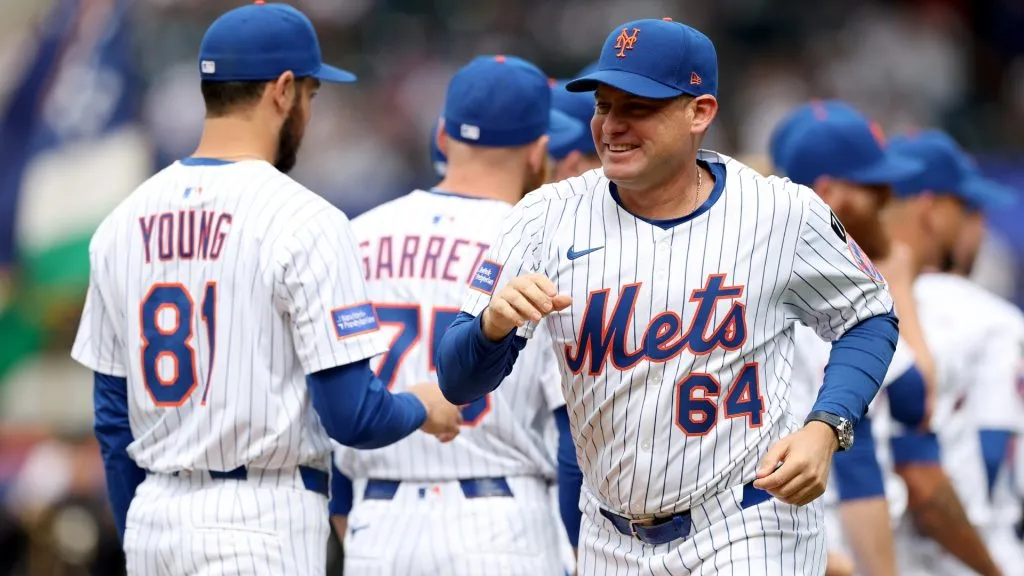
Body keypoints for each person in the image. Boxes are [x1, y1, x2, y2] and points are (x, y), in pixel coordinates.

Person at [436, 18, 901, 574]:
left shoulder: (780, 212)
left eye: (639, 107)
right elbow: (456, 381)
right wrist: (490, 328)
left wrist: (827, 427)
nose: (613, 126)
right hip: (611, 534)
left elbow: (871, 315)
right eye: (604, 106)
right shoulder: (544, 216)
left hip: (747, 521)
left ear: (699, 112)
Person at [70, 4, 461, 574]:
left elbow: (111, 420)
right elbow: (353, 416)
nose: (308, 110)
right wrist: (422, 406)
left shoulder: (121, 223)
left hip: (154, 516)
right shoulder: (304, 219)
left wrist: (141, 527)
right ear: (282, 90)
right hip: (260, 518)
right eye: (311, 94)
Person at [328, 54, 586, 576]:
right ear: (539, 151)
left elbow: (328, 402)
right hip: (503, 524)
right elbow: (573, 437)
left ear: (443, 137)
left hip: (379, 524)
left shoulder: (354, 236)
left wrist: (347, 515)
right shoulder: (540, 245)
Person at [770, 99, 932, 576]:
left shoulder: (754, 257)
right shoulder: (819, 286)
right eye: (873, 189)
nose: (885, 204)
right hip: (820, 537)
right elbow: (914, 398)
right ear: (828, 191)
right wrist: (896, 280)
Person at [887, 129, 1021, 576]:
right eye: (969, 209)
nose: (979, 226)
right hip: (977, 556)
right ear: (931, 209)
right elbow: (988, 457)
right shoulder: (992, 321)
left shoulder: (852, 308)